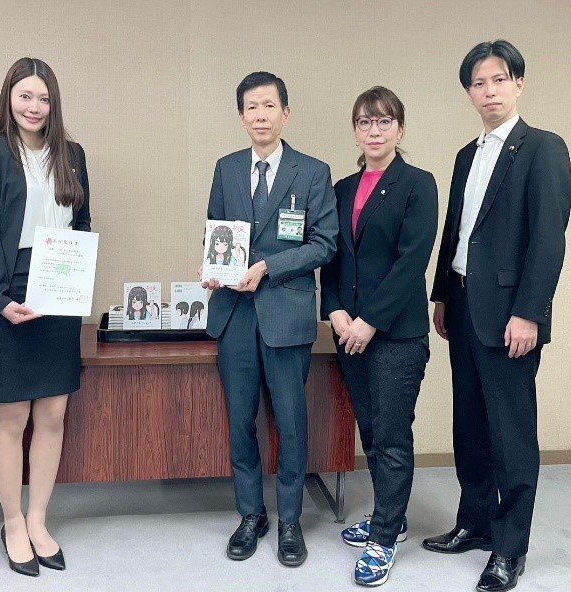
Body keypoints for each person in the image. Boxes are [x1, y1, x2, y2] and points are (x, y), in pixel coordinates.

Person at [423, 40, 571, 592]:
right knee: (469, 426)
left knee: (511, 435)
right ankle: (475, 522)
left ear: (519, 83)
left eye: (499, 80)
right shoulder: (467, 154)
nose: (489, 91)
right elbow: (456, 232)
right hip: (463, 306)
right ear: (469, 92)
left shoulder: (543, 148)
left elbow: (549, 239)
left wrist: (529, 313)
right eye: (479, 83)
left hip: (511, 314)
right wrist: (442, 295)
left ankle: (510, 549)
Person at [201, 71, 338, 567]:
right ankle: (250, 514)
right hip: (234, 315)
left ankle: (290, 520)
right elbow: (216, 231)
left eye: (269, 106)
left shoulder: (312, 172)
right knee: (240, 420)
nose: (260, 115)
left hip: (286, 313)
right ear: (242, 117)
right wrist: (212, 267)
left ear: (286, 113)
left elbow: (324, 244)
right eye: (251, 108)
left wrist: (267, 267)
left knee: (291, 421)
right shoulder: (226, 168)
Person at [0, 57, 91, 577]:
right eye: (25, 96)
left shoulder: (72, 154)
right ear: (9, 98)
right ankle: (12, 522)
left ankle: (38, 518)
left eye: (43, 98)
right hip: (10, 286)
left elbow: (82, 223)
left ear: (53, 103)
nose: (34, 107)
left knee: (53, 414)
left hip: (60, 285)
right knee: (12, 415)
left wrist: (77, 283)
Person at [320, 87, 437, 586]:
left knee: (391, 436)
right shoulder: (342, 187)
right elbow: (331, 255)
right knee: (370, 429)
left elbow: (413, 262)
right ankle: (393, 513)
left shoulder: (418, 184)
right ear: (355, 131)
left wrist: (369, 321)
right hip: (349, 332)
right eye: (365, 122)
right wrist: (336, 311)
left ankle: (384, 537)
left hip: (395, 335)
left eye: (384, 121)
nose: (374, 131)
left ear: (400, 129)